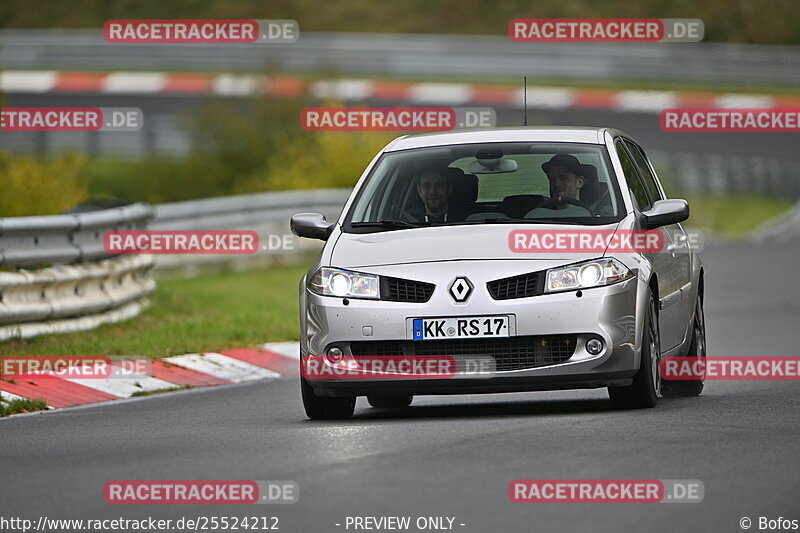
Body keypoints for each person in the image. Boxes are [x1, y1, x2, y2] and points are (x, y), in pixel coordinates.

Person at [526, 154, 592, 217]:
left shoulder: (594, 217)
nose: (557, 183)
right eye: (552, 179)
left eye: (563, 178)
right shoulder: (539, 216)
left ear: (580, 182)